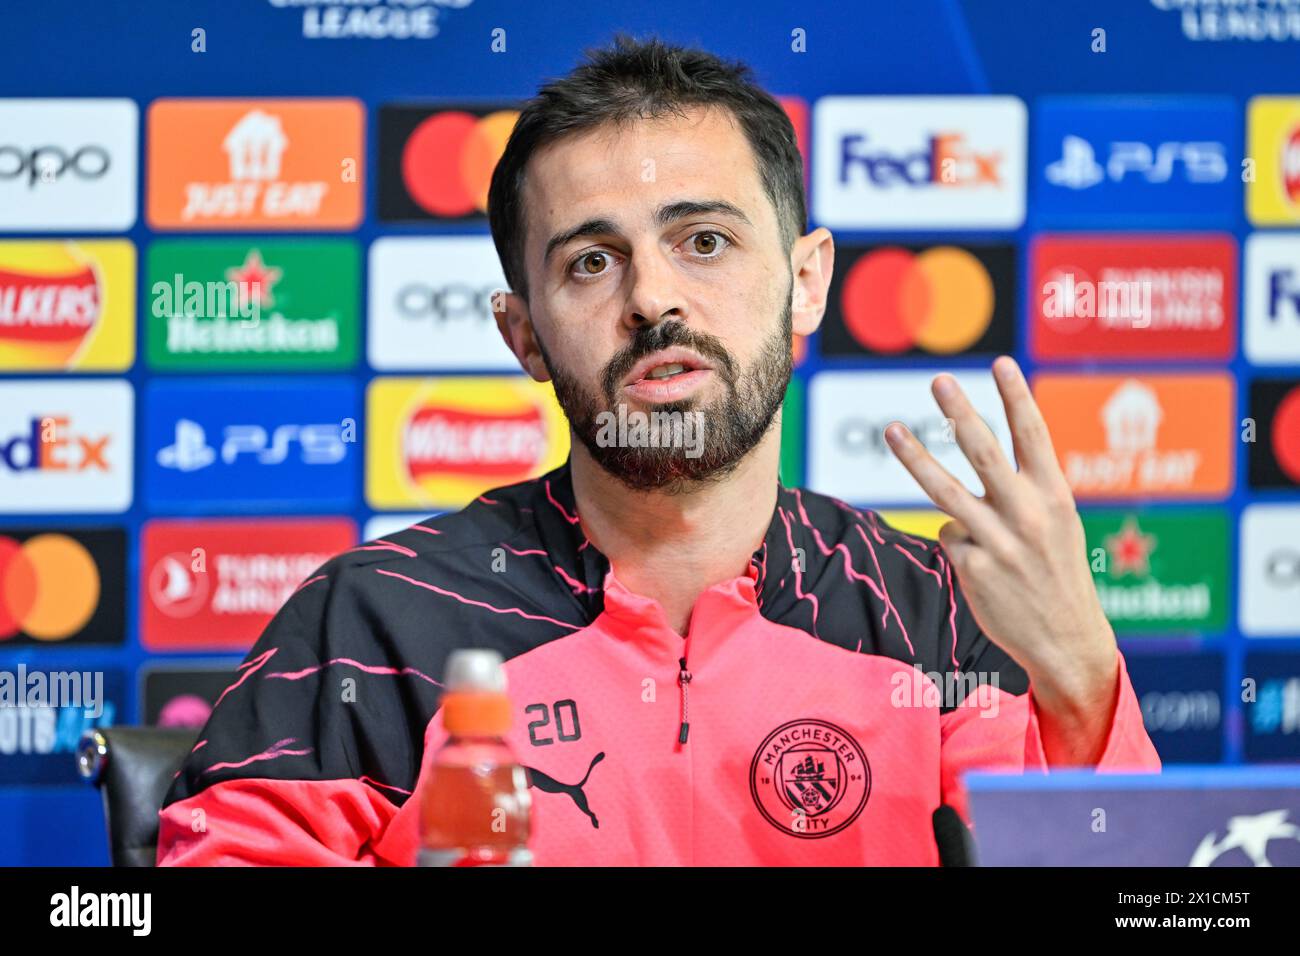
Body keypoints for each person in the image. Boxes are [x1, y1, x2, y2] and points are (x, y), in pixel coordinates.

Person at [157, 34, 1159, 867]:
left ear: (806, 282)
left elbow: (1145, 893)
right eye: (592, 261)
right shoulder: (373, 624)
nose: (652, 298)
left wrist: (1077, 673)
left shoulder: (937, 619)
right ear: (524, 337)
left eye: (705, 241)